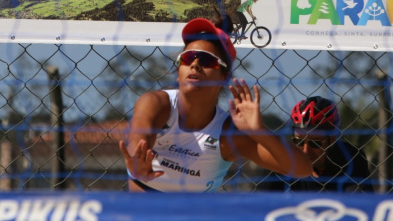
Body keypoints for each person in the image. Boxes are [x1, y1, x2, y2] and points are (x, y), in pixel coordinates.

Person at [119, 18, 313, 192]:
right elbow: (137, 142)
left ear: (224, 76)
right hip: (141, 213)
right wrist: (136, 162)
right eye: (187, 58)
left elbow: (303, 169)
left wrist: (258, 131)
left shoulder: (228, 134)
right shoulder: (157, 103)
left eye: (206, 60)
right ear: (178, 71)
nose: (194, 64)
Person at [261, 96, 373, 192]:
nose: (305, 151)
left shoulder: (350, 158)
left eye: (315, 143)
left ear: (332, 139)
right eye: (298, 141)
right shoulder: (281, 161)